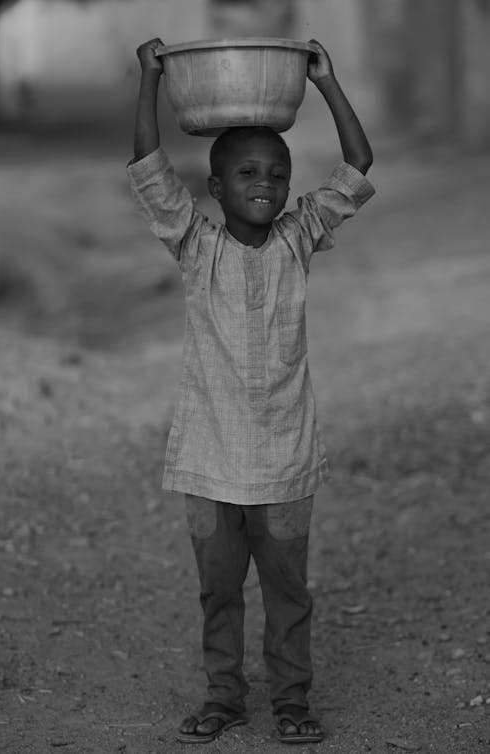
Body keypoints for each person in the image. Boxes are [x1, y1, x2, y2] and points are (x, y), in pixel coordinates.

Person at [127, 36, 374, 746]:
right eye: (245, 173)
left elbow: (357, 167)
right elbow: (147, 171)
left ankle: (292, 701)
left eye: (276, 174)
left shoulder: (299, 241)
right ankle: (225, 698)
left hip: (285, 459)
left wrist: (325, 83)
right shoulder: (195, 246)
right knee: (219, 590)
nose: (262, 184)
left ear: (290, 188)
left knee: (289, 591)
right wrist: (147, 82)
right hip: (209, 459)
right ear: (216, 188)